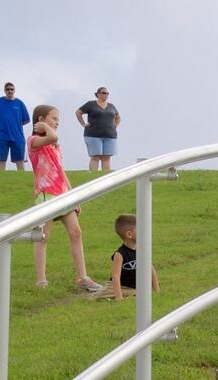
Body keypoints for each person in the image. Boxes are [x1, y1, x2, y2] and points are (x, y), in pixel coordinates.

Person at [28, 105, 104, 292]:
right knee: (43, 238)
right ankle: (41, 280)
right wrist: (44, 128)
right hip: (46, 195)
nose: (57, 122)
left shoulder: (55, 146)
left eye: (57, 119)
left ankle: (82, 277)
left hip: (62, 194)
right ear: (40, 119)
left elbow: (61, 172)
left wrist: (73, 196)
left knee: (76, 233)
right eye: (53, 118)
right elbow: (53, 136)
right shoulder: (34, 140)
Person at [102, 214, 158, 300]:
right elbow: (116, 277)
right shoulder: (120, 254)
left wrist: (157, 291)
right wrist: (119, 298)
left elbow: (151, 270)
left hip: (135, 289)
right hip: (122, 288)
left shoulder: (142, 250)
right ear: (129, 234)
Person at [0, 82, 30, 171]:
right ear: (4, 91)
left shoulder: (20, 104)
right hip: (1, 136)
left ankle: (21, 181)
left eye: (12, 89)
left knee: (20, 161)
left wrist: (14, 125)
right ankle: (0, 181)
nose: (10, 91)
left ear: (14, 90)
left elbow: (26, 120)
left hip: (18, 137)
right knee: (1, 160)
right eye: (8, 89)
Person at [76, 87, 121, 171]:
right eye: (104, 93)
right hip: (93, 135)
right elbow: (78, 112)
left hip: (110, 135)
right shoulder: (90, 104)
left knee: (107, 157)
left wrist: (115, 127)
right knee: (95, 157)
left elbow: (118, 117)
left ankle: (106, 178)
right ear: (98, 94)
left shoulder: (111, 106)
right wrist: (83, 124)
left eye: (107, 93)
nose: (106, 95)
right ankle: (93, 177)